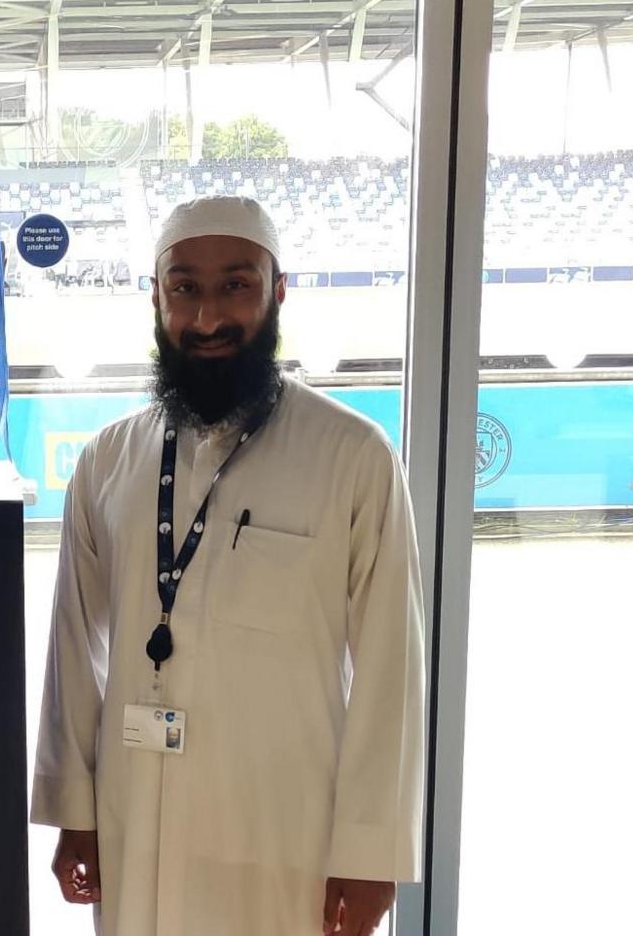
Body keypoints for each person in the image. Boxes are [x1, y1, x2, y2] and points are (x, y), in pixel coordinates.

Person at [32, 195, 426, 936]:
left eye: (236, 285)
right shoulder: (107, 460)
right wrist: (73, 813)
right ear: (156, 297)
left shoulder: (353, 455)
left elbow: (390, 673)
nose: (209, 317)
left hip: (282, 833)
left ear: (278, 291)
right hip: (136, 817)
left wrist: (371, 852)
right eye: (185, 287)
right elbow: (74, 651)